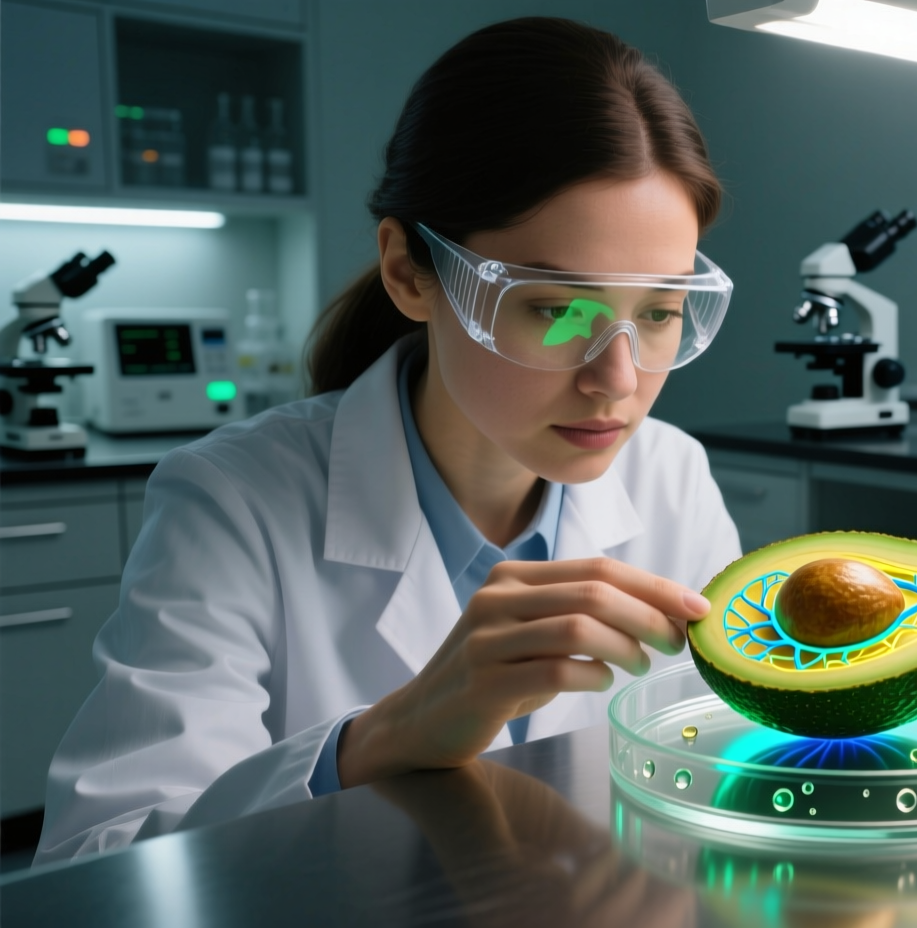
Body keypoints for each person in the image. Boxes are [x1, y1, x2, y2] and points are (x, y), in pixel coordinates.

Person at [36, 18, 740, 864]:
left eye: (660, 312)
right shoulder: (234, 499)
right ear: (409, 272)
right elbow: (95, 864)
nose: (617, 380)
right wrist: (381, 741)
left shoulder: (672, 475)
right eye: (557, 309)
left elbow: (721, 760)